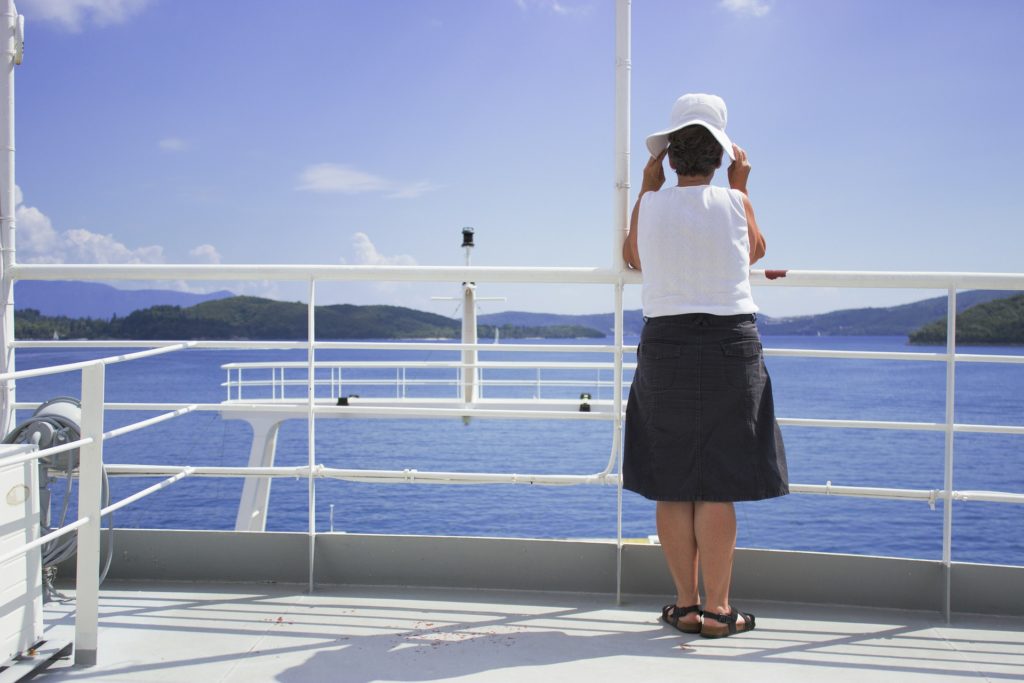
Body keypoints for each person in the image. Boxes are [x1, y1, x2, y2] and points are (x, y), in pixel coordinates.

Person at [622, 93, 788, 639]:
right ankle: (719, 611)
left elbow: (633, 257)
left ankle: (686, 605)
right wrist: (740, 186)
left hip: (666, 342)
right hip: (727, 343)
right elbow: (754, 251)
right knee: (717, 483)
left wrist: (648, 186)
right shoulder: (737, 202)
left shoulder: (650, 204)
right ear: (721, 156)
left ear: (669, 158)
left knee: (673, 481)